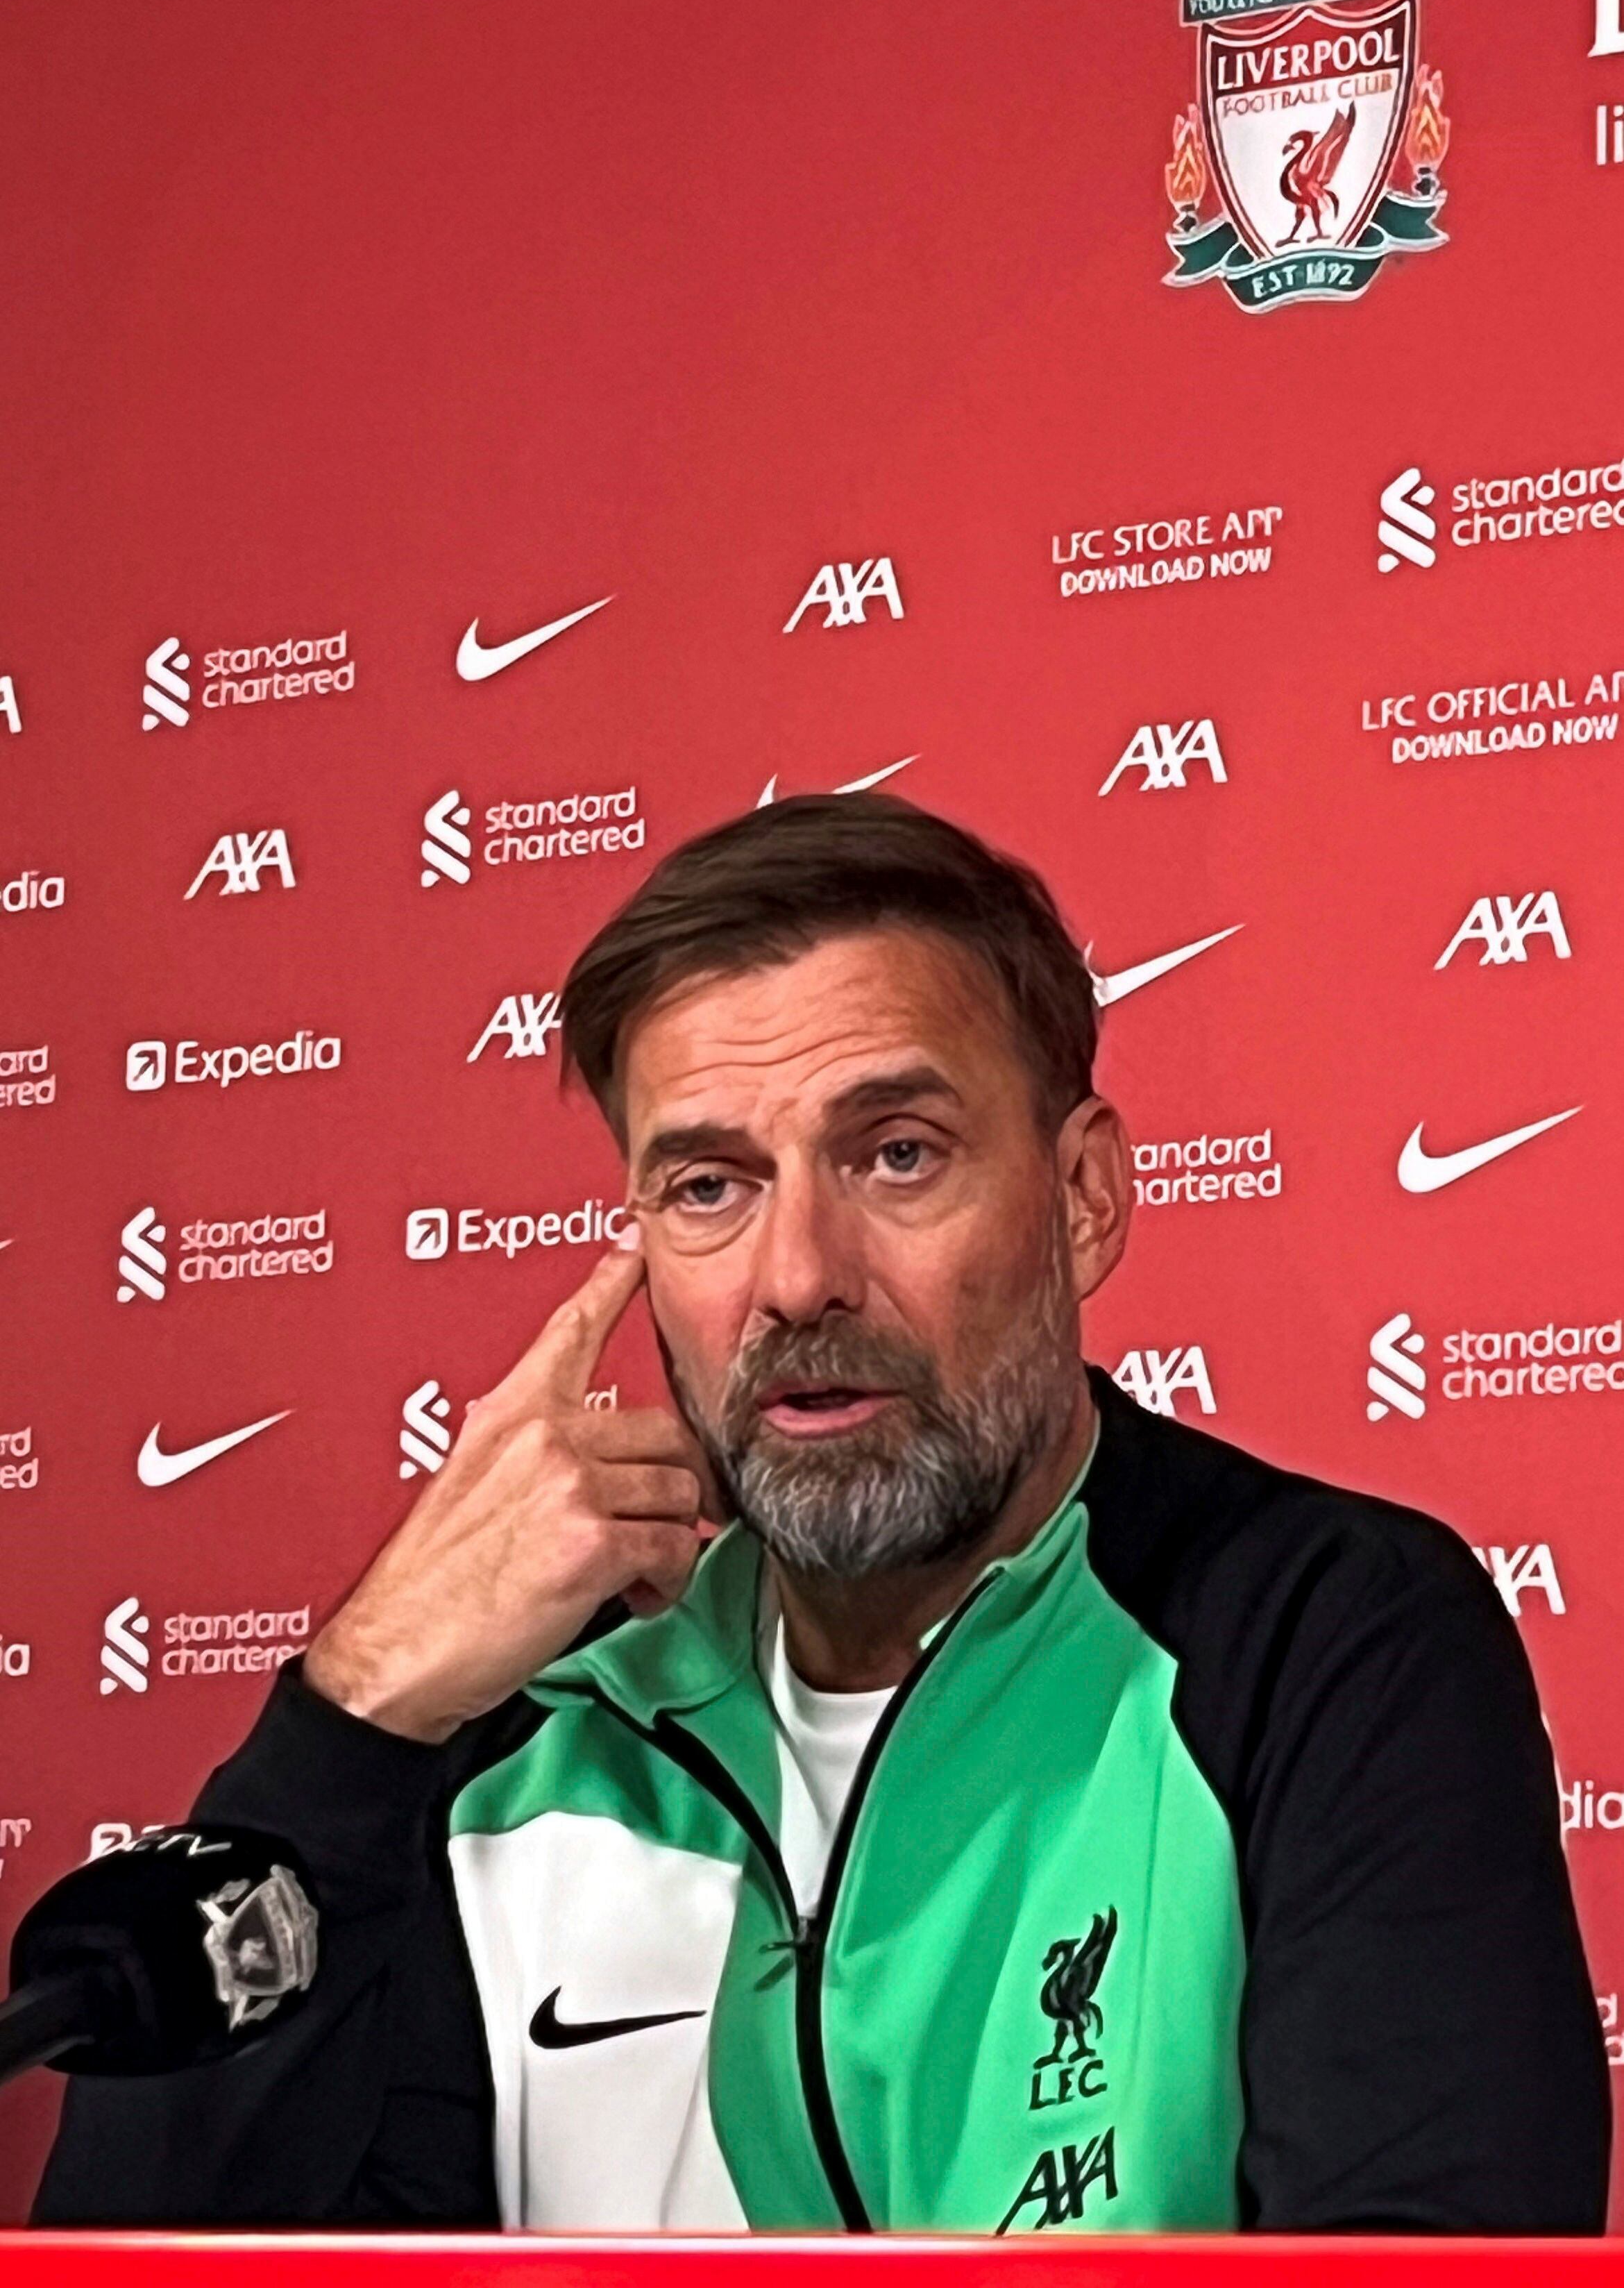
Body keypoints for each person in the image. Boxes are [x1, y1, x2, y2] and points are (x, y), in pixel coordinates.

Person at [36, 795, 1609, 2235]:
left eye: (898, 1155)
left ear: (1083, 1200)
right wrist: (357, 1717)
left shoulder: (1327, 1638)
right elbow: (146, 2265)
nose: (797, 1277)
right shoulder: (505, 1748)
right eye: (709, 1188)